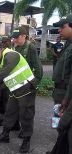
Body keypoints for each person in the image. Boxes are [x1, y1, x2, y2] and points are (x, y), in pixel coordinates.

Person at [0, 42, 37, 153]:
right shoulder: (1, 60)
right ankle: (5, 135)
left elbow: (3, 73)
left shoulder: (11, 55)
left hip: (26, 88)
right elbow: (3, 77)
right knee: (10, 112)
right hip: (15, 89)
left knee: (26, 115)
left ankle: (26, 140)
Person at [47, 14, 72, 154]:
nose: (59, 30)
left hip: (66, 93)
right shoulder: (67, 44)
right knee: (59, 124)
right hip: (60, 91)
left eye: (62, 27)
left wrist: (66, 98)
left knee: (65, 125)